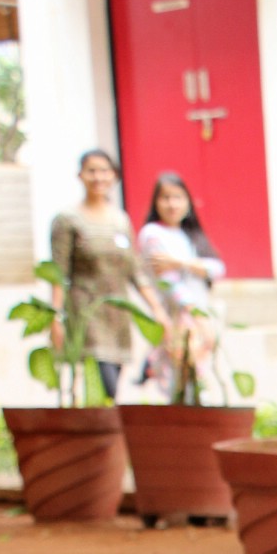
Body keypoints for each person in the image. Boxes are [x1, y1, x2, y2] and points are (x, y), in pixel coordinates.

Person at [48, 150, 166, 401]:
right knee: (103, 381)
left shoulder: (119, 219)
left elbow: (134, 270)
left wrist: (156, 309)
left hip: (117, 312)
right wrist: (55, 317)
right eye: (91, 170)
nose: (98, 177)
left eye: (104, 171)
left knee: (114, 380)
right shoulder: (68, 219)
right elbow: (58, 272)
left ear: (114, 176)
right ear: (80, 175)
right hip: (87, 311)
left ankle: (106, 429)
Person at [137, 172, 226, 400]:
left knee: (200, 384)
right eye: (165, 197)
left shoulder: (191, 236)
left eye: (178, 197)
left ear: (188, 201)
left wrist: (180, 263)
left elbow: (217, 269)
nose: (172, 204)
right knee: (178, 383)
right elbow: (169, 283)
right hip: (177, 319)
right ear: (156, 203)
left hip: (200, 316)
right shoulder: (152, 234)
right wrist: (196, 316)